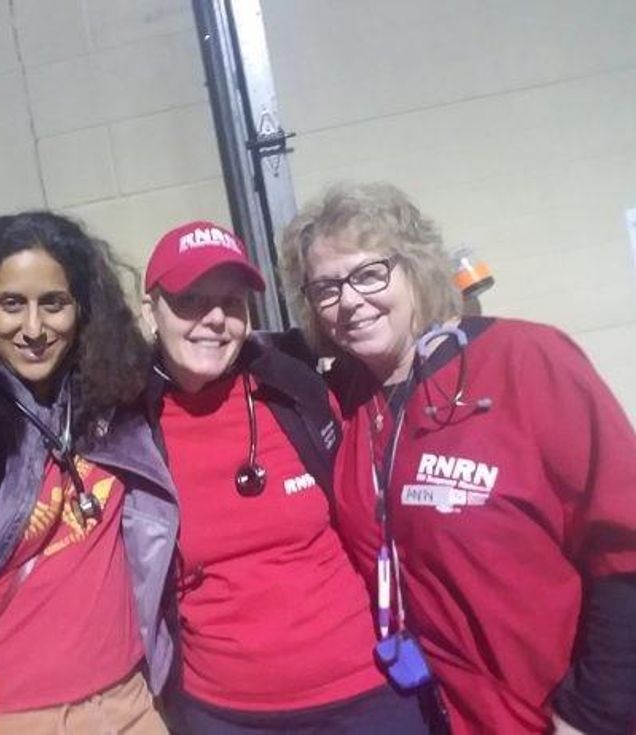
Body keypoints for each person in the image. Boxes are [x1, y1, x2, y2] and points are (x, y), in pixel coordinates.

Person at [280, 182, 636, 734]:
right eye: (326, 288)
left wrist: (594, 713)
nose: (349, 300)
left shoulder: (525, 360)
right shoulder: (348, 405)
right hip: (433, 715)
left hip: (553, 715)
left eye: (370, 274)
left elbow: (626, 545)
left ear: (416, 269)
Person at [140, 220, 428, 734]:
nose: (214, 319)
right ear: (150, 311)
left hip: (367, 693)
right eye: (190, 300)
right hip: (224, 713)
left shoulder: (297, 387)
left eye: (231, 302)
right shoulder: (127, 425)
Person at [0, 211, 178, 735]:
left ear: (82, 310)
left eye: (53, 304)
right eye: (11, 304)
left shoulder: (110, 406)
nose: (34, 330)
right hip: (20, 719)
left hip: (132, 704)